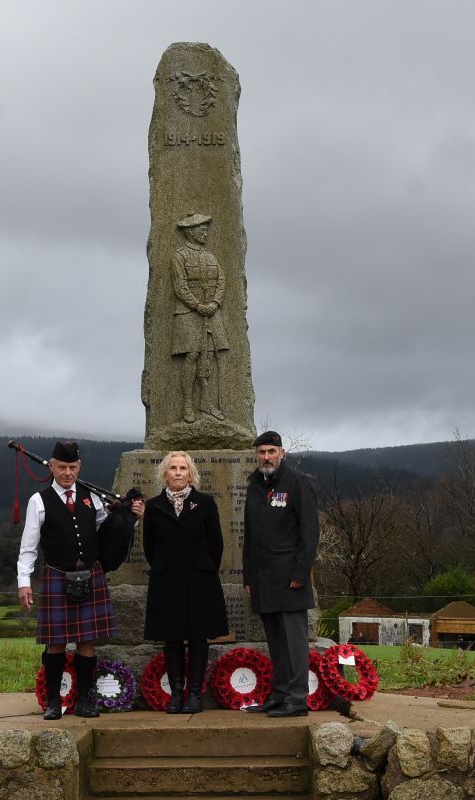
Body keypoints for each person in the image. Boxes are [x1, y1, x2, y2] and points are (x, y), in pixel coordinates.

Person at [17, 440, 144, 719]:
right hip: (57, 576)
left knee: (88, 642)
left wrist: (125, 515)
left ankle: (85, 700)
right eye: (61, 467)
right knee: (56, 643)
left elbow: (106, 531)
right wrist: (23, 581)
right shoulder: (39, 501)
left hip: (90, 575)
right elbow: (28, 546)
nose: (67, 473)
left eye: (72, 467)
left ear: (79, 467)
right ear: (51, 467)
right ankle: (53, 701)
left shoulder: (91, 498)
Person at [142, 451, 230, 713]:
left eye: (183, 468)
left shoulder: (204, 503)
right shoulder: (155, 506)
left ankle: (194, 695)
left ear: (191, 473)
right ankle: (176, 694)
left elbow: (216, 545)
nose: (178, 473)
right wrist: (166, 567)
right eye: (173, 468)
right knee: (172, 639)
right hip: (166, 581)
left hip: (199, 580)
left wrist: (201, 569)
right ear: (164, 473)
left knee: (198, 639)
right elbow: (150, 547)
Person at [242, 430, 320, 717]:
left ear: (282, 454)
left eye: (271, 452)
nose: (266, 457)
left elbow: (309, 533)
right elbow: (250, 537)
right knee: (276, 643)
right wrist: (248, 577)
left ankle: (297, 699)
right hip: (263, 579)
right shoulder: (254, 484)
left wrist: (301, 573)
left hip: (290, 578)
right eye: (262, 452)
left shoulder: (298, 483)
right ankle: (279, 695)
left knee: (294, 644)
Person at [171, 213, 229, 424]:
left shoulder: (209, 256)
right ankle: (188, 404)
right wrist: (198, 306)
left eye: (206, 229)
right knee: (193, 355)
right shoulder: (180, 256)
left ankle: (206, 403)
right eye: (201, 230)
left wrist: (214, 303)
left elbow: (222, 280)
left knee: (209, 356)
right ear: (190, 232)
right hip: (188, 313)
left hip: (211, 312)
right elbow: (180, 286)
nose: (205, 233)